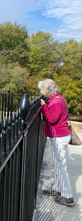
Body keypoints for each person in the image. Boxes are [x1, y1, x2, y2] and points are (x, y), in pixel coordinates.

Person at [38, 79, 74, 207]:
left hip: (59, 136)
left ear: (47, 91)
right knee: (58, 165)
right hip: (59, 135)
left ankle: (68, 196)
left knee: (61, 167)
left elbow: (52, 119)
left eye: (43, 91)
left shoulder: (56, 102)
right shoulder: (59, 98)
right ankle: (57, 188)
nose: (42, 94)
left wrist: (43, 106)